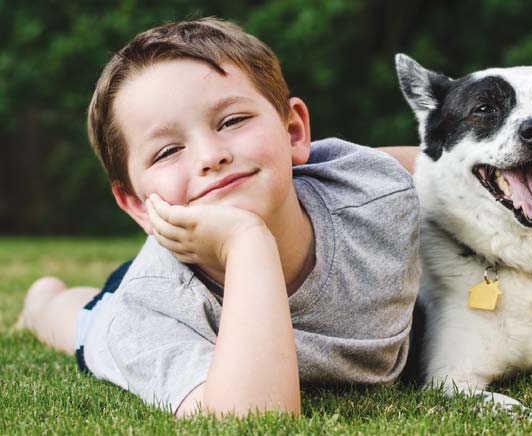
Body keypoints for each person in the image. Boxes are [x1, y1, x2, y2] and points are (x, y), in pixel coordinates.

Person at [15, 17, 421, 418]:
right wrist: (246, 240)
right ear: (137, 203)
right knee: (83, 320)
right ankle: (41, 300)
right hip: (160, 283)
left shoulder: (371, 190)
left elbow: (445, 167)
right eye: (167, 151)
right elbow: (253, 420)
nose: (212, 157)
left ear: (294, 133)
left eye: (232, 121)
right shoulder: (147, 314)